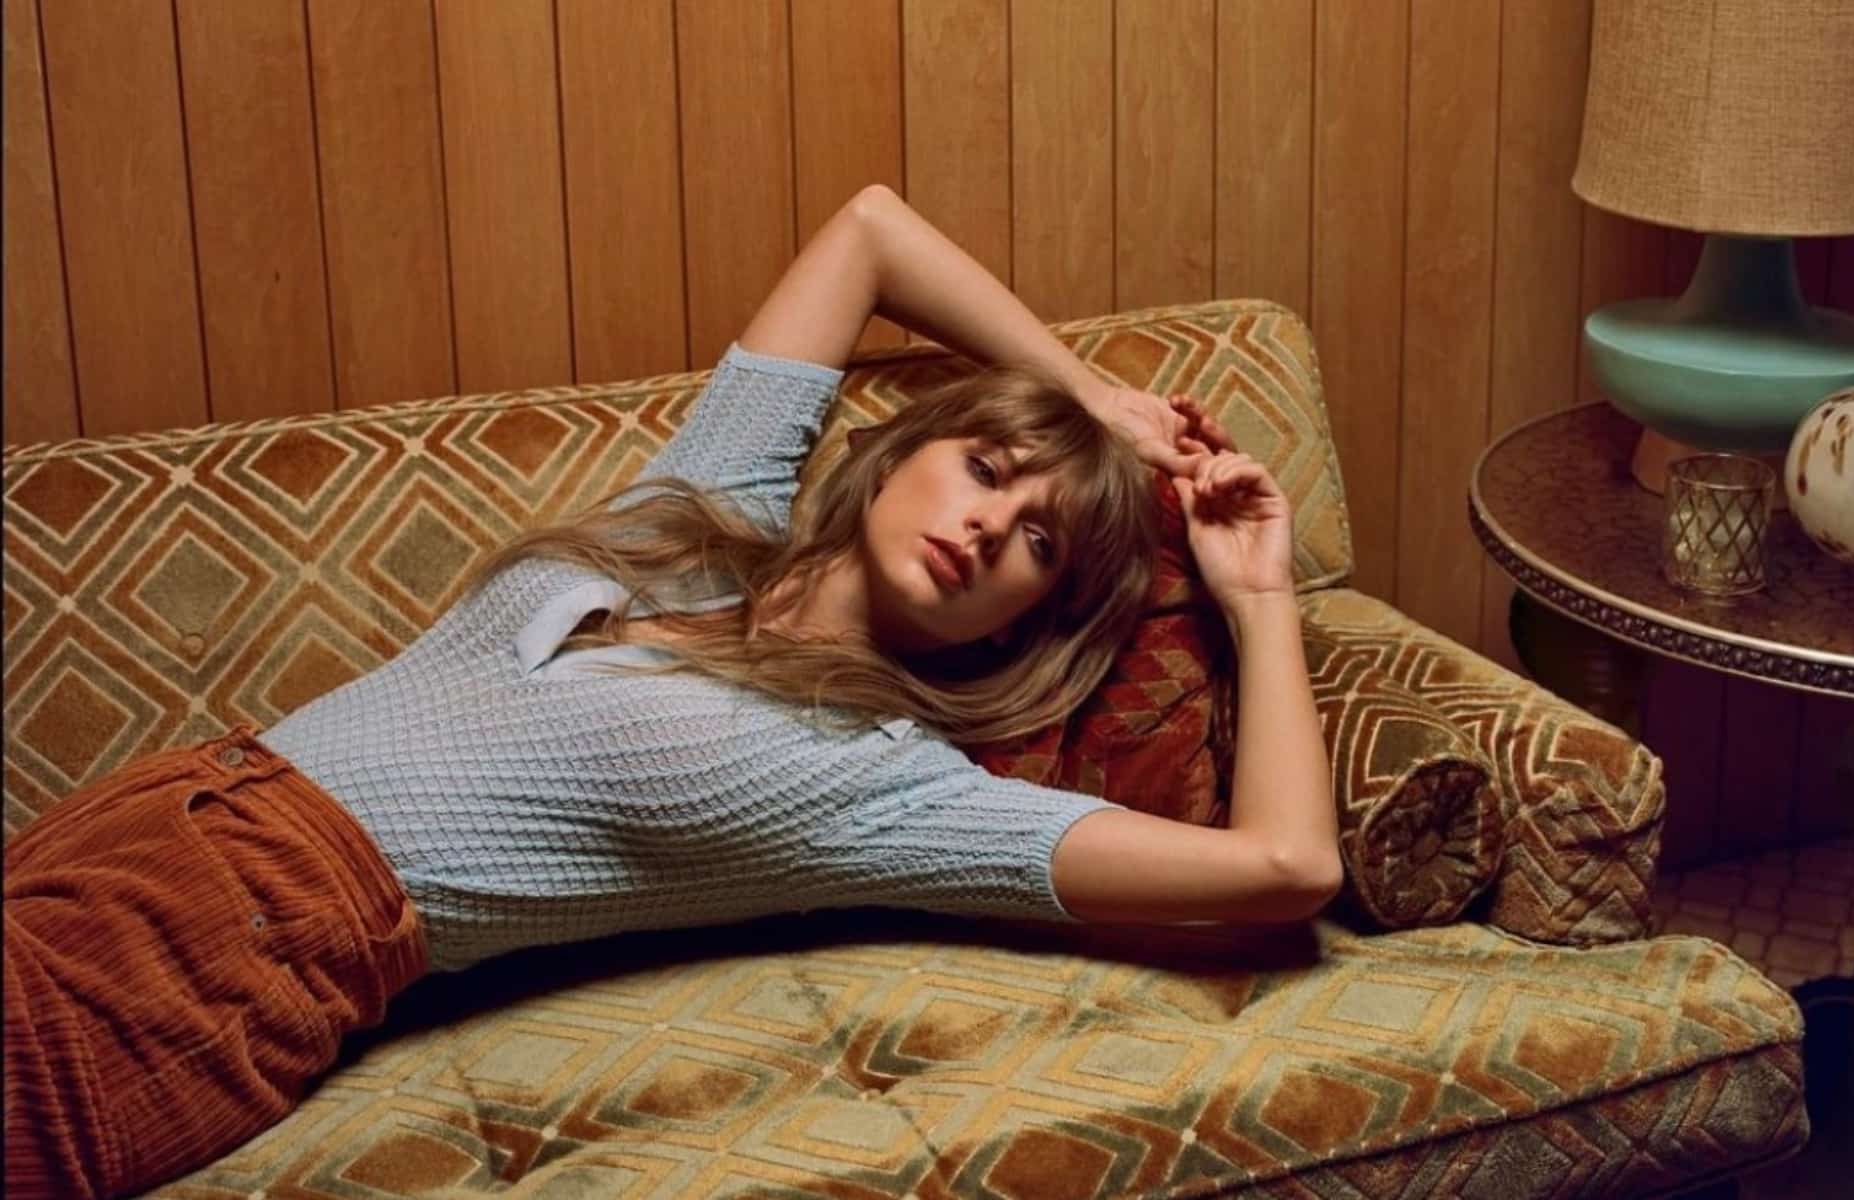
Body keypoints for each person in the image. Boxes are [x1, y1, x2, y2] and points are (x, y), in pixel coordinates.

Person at [2, 183, 1338, 1198]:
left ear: (1024, 621)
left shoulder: (873, 778)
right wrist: (1092, 404)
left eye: (1039, 542)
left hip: (244, 954)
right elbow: (871, 232)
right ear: (899, 459)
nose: (991, 525)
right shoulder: (697, 517)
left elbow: (1284, 867)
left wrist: (1258, 595)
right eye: (986, 470)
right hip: (131, 824)